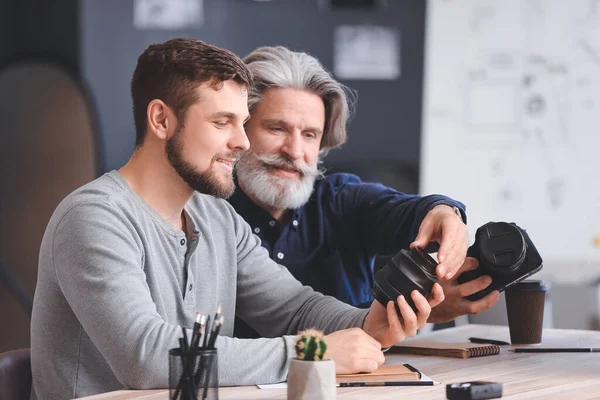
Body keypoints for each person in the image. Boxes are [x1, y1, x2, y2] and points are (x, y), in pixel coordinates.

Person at [29, 38, 444, 400]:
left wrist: (371, 323)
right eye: (222, 122)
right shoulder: (93, 217)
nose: (242, 142)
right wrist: (311, 353)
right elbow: (149, 358)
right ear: (161, 120)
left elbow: (293, 307)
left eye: (243, 123)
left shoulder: (215, 217)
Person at [230, 46, 500, 338]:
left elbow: (405, 210)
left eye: (310, 135)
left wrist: (443, 212)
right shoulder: (210, 218)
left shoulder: (341, 199)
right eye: (276, 129)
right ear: (239, 129)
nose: (295, 151)